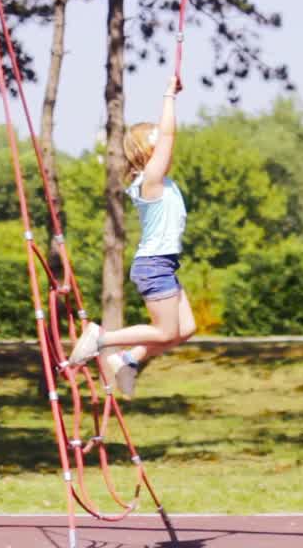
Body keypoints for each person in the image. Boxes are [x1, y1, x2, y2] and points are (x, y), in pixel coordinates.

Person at [68, 74, 196, 397]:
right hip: (154, 265)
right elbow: (168, 134)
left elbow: (165, 138)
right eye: (157, 142)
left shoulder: (159, 182)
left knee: (185, 329)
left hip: (162, 264)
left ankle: (128, 359)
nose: (166, 146)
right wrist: (169, 96)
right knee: (165, 330)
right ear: (146, 151)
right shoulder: (150, 180)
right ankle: (100, 339)